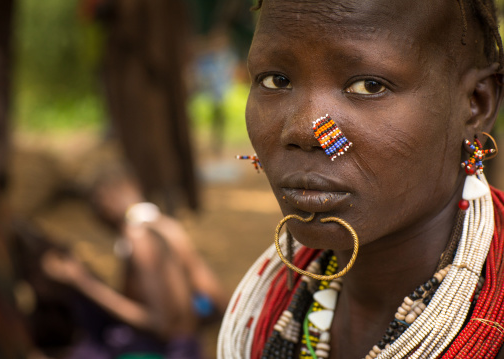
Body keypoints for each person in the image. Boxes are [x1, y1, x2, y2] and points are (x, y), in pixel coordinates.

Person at [217, 0, 504, 358]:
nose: (306, 130)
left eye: (368, 86)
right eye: (276, 80)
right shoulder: (263, 314)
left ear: (477, 102)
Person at [41, 165, 227, 359]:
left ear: (107, 198)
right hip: (190, 348)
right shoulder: (167, 227)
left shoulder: (139, 237)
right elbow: (216, 298)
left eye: (95, 204)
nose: (97, 216)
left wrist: (82, 282)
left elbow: (163, 325)